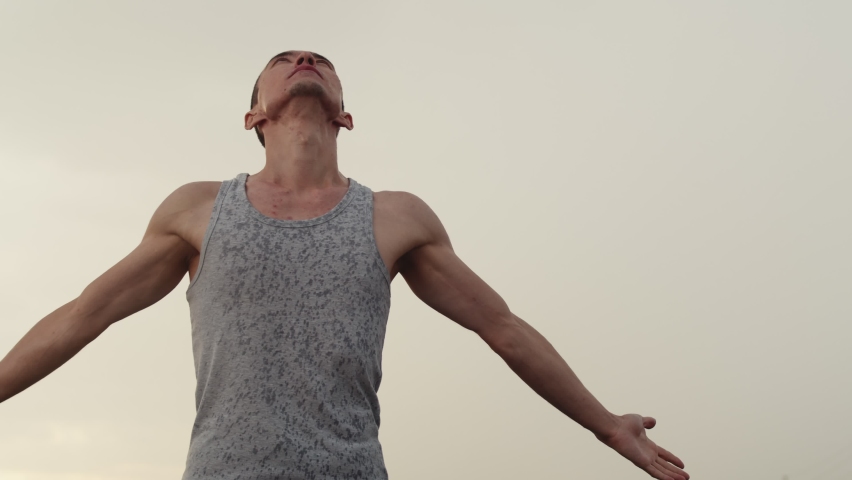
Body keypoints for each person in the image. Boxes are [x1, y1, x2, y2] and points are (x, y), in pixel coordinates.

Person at [0, 50, 689, 480]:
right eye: (285, 57)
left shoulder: (396, 218)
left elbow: (502, 327)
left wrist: (606, 424)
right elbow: (83, 315)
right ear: (252, 116)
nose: (305, 59)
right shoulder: (197, 209)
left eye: (321, 59)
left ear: (346, 115)